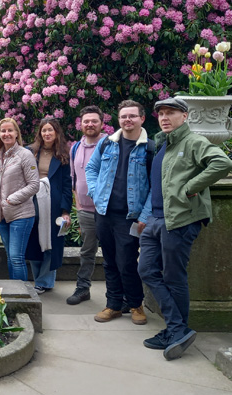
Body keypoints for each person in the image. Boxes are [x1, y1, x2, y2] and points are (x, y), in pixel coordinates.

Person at [138, 97, 232, 360]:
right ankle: (178, 328)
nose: (165, 117)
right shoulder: (163, 145)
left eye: (171, 113)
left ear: (185, 116)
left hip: (180, 220)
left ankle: (174, 329)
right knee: (145, 269)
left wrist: (190, 187)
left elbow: (222, 163)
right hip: (156, 220)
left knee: (174, 276)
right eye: (161, 113)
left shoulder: (194, 142)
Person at [85, 100, 152, 325]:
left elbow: (156, 186)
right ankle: (113, 305)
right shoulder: (107, 144)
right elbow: (91, 168)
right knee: (109, 260)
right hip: (104, 214)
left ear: (142, 118)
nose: (127, 120)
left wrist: (145, 215)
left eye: (132, 116)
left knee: (127, 262)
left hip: (129, 217)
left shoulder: (149, 148)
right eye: (123, 116)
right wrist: (95, 192)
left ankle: (135, 304)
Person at [0, 118, 39, 281]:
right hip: (2, 214)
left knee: (17, 258)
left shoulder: (25, 155)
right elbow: (0, 182)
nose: (6, 134)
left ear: (17, 133)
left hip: (21, 214)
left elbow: (34, 185)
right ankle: (14, 294)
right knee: (10, 257)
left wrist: (10, 200)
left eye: (10, 130)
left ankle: (23, 297)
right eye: (3, 131)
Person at [25, 118, 72, 294]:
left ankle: (44, 281)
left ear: (56, 132)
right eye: (44, 130)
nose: (47, 133)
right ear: (40, 133)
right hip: (32, 200)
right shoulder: (30, 151)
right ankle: (39, 280)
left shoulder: (62, 154)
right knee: (34, 241)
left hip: (53, 203)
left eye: (50, 130)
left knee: (50, 241)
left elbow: (67, 184)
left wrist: (65, 210)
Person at [66, 106, 107, 305]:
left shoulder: (110, 145)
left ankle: (120, 295)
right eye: (86, 121)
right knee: (87, 252)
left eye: (94, 121)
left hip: (108, 211)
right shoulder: (75, 147)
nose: (89, 124)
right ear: (80, 124)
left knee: (114, 253)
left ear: (102, 123)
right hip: (85, 211)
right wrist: (79, 206)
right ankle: (83, 289)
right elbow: (74, 179)